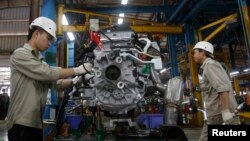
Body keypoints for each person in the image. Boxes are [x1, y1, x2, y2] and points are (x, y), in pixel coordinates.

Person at [6, 17, 93, 141]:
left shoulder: (40, 62)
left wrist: (77, 80)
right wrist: (77, 70)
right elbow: (47, 73)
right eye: (48, 38)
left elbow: (56, 84)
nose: (50, 43)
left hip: (35, 123)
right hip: (21, 124)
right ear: (37, 33)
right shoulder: (20, 55)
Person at [193, 41, 239, 141]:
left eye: (195, 52)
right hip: (215, 115)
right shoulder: (206, 67)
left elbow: (223, 89)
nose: (194, 55)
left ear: (203, 52)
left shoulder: (210, 66)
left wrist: (225, 111)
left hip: (221, 115)